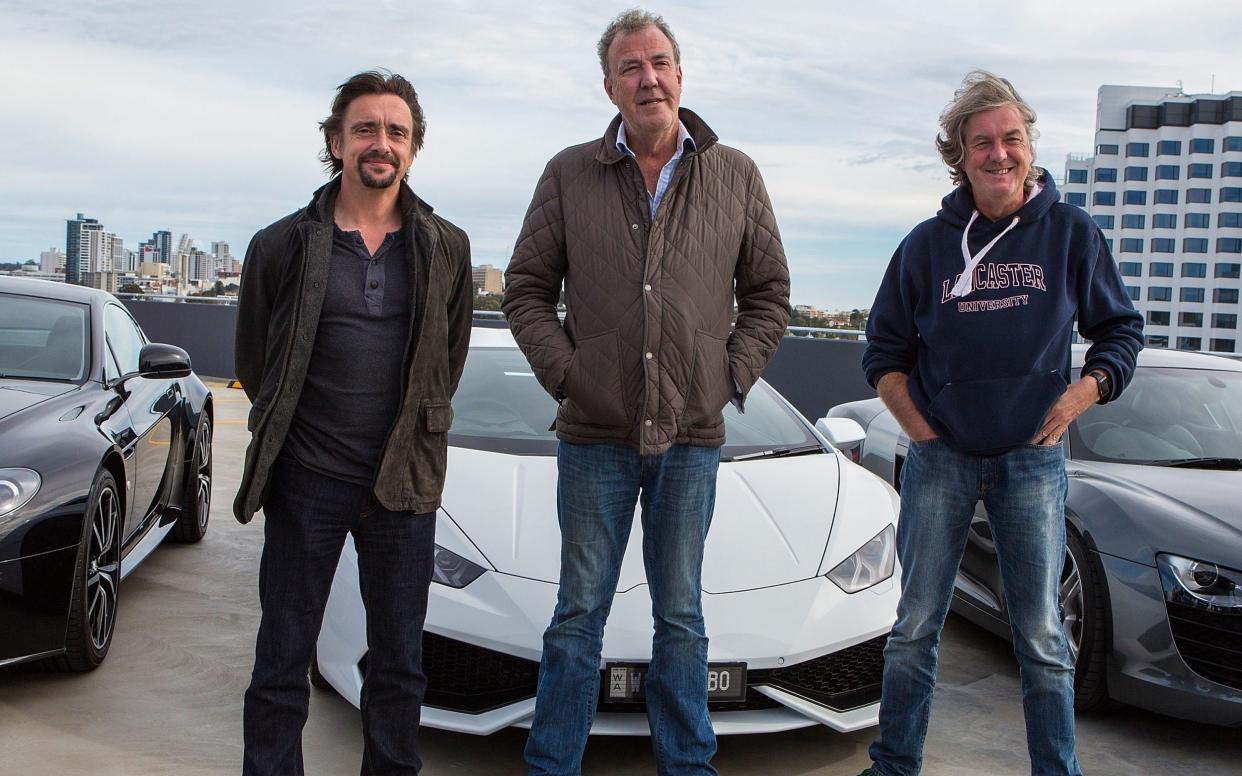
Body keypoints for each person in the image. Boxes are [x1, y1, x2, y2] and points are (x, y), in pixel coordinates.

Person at [502, 9, 790, 775]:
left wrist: (728, 376)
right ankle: (552, 764)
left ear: (681, 75)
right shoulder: (569, 171)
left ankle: (686, 765)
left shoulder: (735, 174)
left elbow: (769, 294)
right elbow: (526, 291)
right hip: (594, 436)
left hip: (692, 437)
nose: (648, 78)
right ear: (609, 86)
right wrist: (571, 375)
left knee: (683, 618)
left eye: (659, 62)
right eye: (630, 67)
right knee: (577, 616)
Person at [857, 71, 1143, 776]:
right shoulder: (926, 245)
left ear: (1029, 144)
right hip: (942, 460)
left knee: (1043, 634)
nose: (1000, 153)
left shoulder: (1073, 233)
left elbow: (1120, 331)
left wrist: (1083, 395)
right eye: (982, 142)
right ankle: (895, 765)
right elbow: (883, 352)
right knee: (915, 627)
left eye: (1012, 138)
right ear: (959, 155)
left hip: (1031, 461)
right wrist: (921, 432)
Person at [233, 70, 473, 776]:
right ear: (336, 141)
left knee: (398, 665)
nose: (381, 143)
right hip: (307, 482)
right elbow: (255, 359)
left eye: (396, 131)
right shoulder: (281, 245)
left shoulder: (445, 247)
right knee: (281, 659)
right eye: (364, 129)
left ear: (413, 147)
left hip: (403, 487)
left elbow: (446, 361)